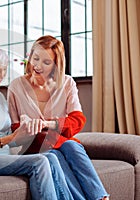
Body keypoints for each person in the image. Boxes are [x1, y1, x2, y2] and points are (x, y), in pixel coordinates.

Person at [0, 40, 74, 200]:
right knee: (39, 162)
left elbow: (10, 140)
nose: (2, 76)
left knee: (50, 156)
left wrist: (26, 131)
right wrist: (11, 138)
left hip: (1, 157)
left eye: (3, 70)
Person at [8, 35, 109, 200]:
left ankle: (101, 197)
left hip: (62, 143)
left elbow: (77, 120)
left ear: (56, 65)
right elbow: (14, 129)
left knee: (72, 147)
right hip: (33, 148)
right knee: (54, 155)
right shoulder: (16, 86)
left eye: (46, 62)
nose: (37, 66)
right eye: (35, 58)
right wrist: (27, 128)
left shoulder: (67, 83)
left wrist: (47, 124)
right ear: (30, 56)